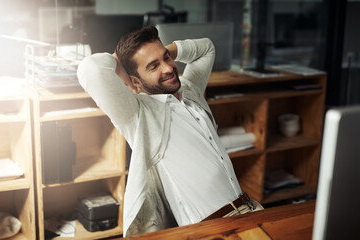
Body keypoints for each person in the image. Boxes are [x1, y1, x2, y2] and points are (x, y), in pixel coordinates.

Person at [77, 26, 263, 237]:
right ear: (135, 81)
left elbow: (206, 48)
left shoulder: (190, 90)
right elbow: (89, 70)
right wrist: (123, 62)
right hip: (212, 230)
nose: (167, 68)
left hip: (250, 211)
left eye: (167, 58)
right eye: (153, 66)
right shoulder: (138, 114)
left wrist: (160, 51)